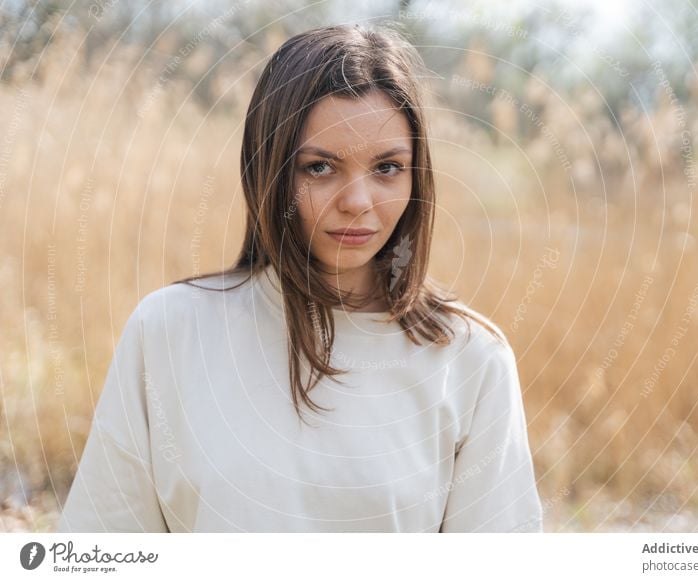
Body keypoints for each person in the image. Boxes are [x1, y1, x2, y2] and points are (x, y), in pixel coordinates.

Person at [56, 23, 543, 533]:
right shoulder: (169, 331)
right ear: (267, 170)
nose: (357, 203)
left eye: (387, 168)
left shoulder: (469, 357)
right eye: (319, 168)